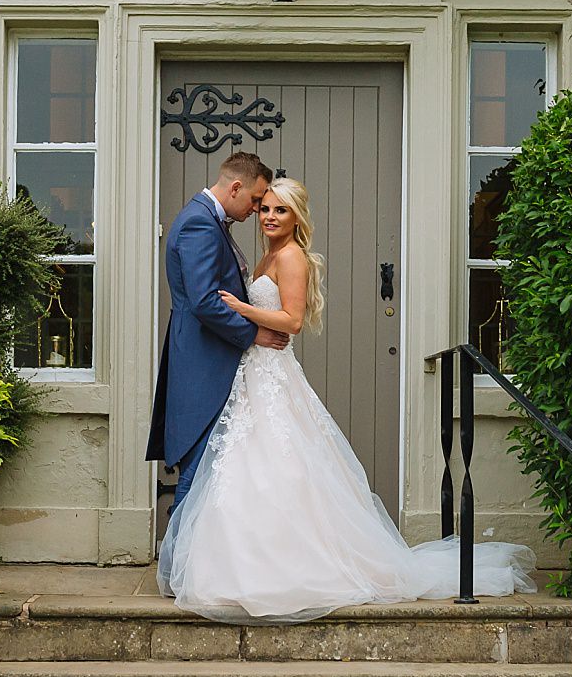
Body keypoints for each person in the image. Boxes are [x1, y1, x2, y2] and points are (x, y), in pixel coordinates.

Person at [156, 175, 536, 622]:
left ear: (297, 216)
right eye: (265, 209)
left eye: (280, 210)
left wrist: (241, 309)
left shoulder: (292, 256)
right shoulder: (267, 255)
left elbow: (291, 321)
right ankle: (233, 566)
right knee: (245, 469)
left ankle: (291, 569)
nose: (270, 217)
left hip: (273, 373)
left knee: (281, 468)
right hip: (252, 374)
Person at [147, 152, 291, 515]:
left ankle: (186, 566)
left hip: (208, 358)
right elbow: (205, 302)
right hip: (202, 362)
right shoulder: (200, 224)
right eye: (257, 201)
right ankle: (177, 568)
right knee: (197, 472)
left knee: (208, 471)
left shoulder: (208, 220)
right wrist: (253, 334)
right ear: (236, 187)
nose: (258, 210)